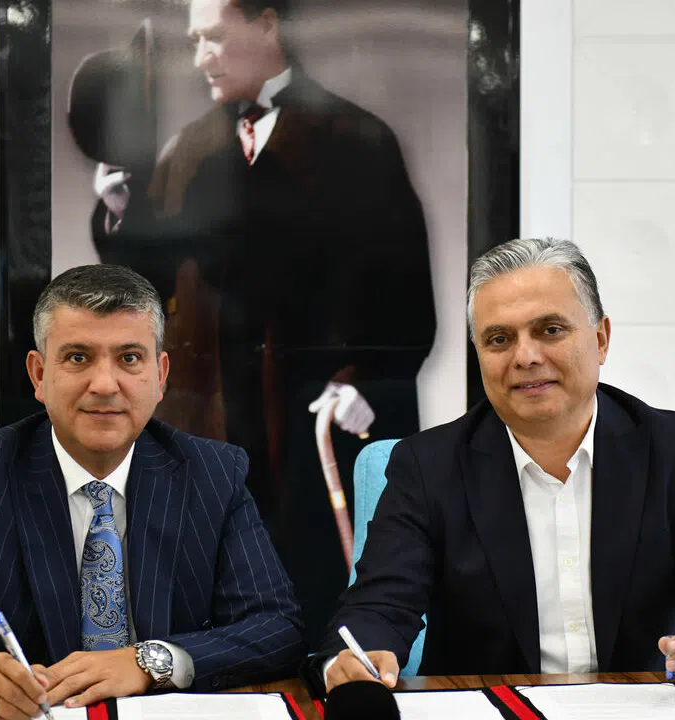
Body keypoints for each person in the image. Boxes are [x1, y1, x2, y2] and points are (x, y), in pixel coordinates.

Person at [89, 0, 436, 649]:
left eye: (216, 38)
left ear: (268, 25)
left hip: (313, 420)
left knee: (320, 599)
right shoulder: (188, 150)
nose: (202, 58)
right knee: (214, 610)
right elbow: (150, 290)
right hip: (213, 418)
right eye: (194, 41)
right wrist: (119, 214)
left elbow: (406, 292)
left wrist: (366, 380)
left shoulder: (358, 141)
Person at [316, 238, 675, 697]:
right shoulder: (427, 467)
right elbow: (378, 607)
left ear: (600, 339)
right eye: (499, 339)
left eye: (550, 330)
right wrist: (356, 658)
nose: (525, 357)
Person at [0, 265, 305, 718]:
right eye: (78, 357)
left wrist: (151, 661)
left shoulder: (213, 474)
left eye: (129, 358)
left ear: (161, 375)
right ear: (39, 374)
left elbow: (277, 627)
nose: (104, 385)